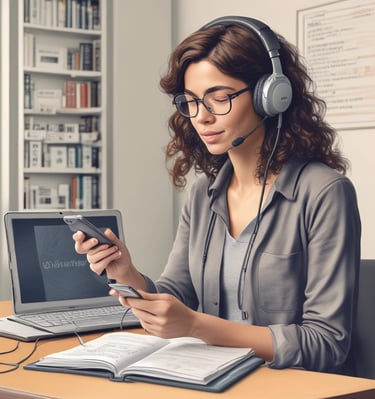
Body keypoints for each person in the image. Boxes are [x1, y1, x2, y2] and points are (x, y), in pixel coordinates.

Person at [73, 16, 361, 374]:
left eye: (219, 98)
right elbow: (177, 297)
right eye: (191, 102)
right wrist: (127, 273)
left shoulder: (324, 193)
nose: (201, 117)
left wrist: (196, 326)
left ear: (271, 96)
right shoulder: (202, 193)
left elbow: (326, 342)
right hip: (208, 379)